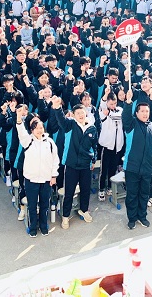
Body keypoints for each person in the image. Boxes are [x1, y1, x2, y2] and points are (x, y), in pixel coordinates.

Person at [51, 98, 97, 229]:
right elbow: (61, 120)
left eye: (82, 112)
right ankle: (65, 216)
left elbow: (94, 146)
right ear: (73, 115)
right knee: (69, 191)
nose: (81, 115)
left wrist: (93, 160)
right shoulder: (70, 125)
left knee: (85, 189)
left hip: (86, 165)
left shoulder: (92, 128)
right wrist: (57, 107)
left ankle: (84, 210)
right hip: (71, 165)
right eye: (78, 113)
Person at [15, 105, 59, 238]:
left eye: (41, 128)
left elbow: (55, 160)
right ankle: (33, 227)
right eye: (36, 128)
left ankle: (44, 226)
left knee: (44, 205)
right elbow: (21, 130)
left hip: (46, 179)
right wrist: (18, 117)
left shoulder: (50, 142)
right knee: (32, 205)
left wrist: (53, 176)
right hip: (31, 180)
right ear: (32, 130)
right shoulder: (27, 141)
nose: (39, 130)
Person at [121, 95, 152, 230]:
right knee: (132, 195)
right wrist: (128, 103)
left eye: (147, 111)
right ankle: (132, 218)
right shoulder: (131, 125)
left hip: (147, 168)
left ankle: (142, 216)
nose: (145, 114)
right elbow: (126, 117)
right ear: (137, 113)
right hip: (132, 168)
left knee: (144, 194)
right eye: (142, 111)